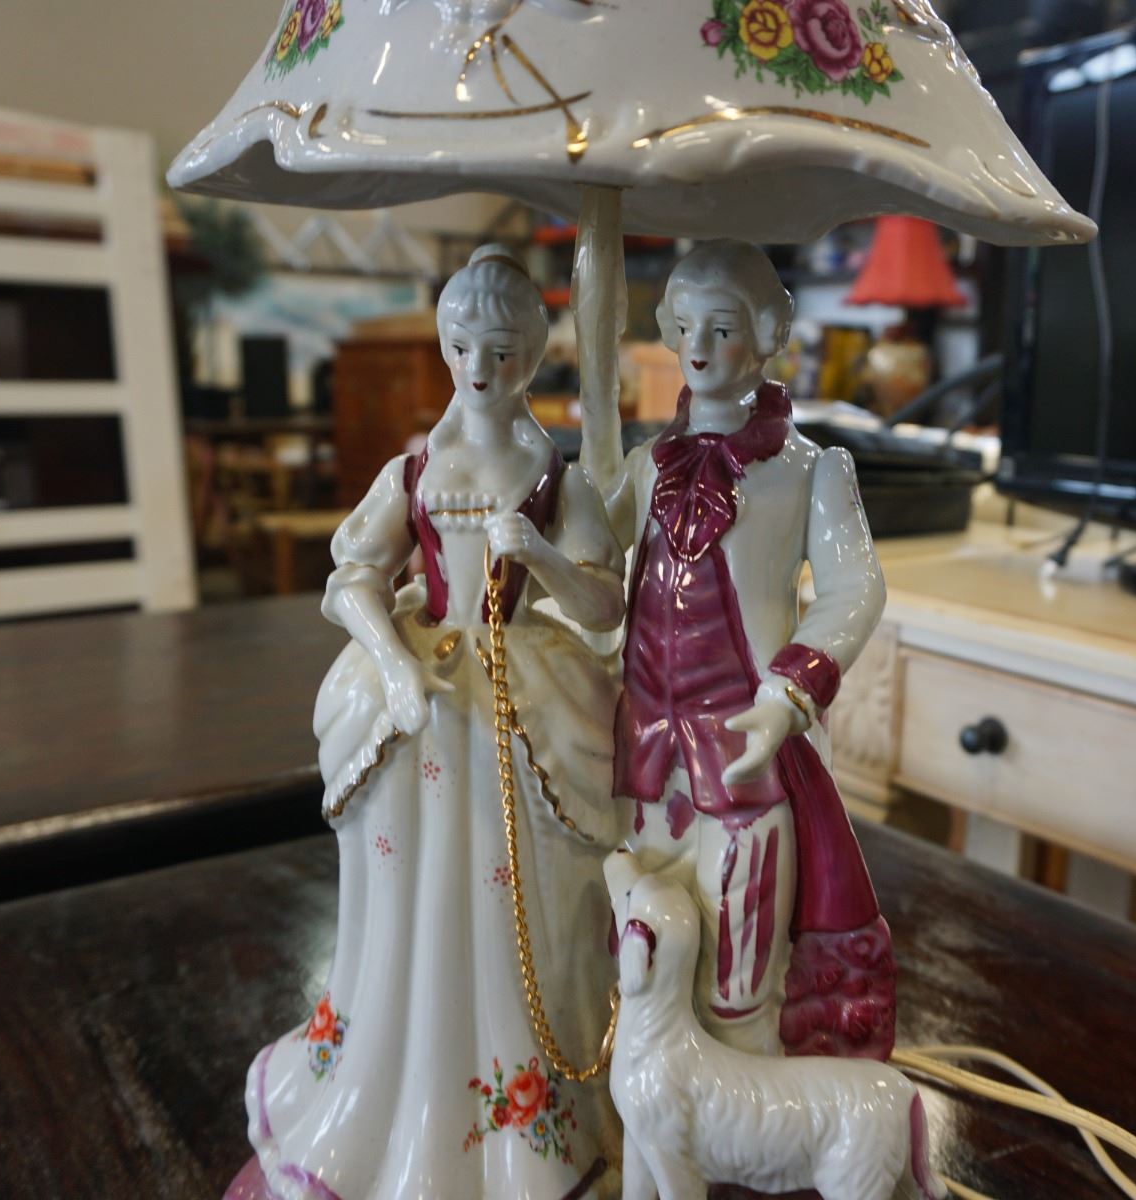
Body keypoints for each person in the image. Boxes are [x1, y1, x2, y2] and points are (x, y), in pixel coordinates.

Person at [233, 246, 624, 1200]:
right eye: (461, 347)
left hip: (522, 689)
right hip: (427, 695)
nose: (479, 368)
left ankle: (528, 1100)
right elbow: (350, 579)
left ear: (532, 354)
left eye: (501, 349)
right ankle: (393, 1076)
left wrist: (544, 559)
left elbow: (606, 602)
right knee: (412, 886)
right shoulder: (413, 468)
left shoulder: (554, 474)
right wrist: (394, 661)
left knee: (524, 889)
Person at [584, 240, 896, 1063]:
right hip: (646, 752)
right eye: (684, 325)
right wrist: (577, 476)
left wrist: (788, 693)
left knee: (736, 966)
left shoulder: (812, 471)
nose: (697, 345)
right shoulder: (648, 465)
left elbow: (854, 588)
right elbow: (591, 556)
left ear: (766, 336)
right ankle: (647, 1107)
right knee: (639, 956)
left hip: (743, 755)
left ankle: (741, 1110)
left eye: (720, 328)